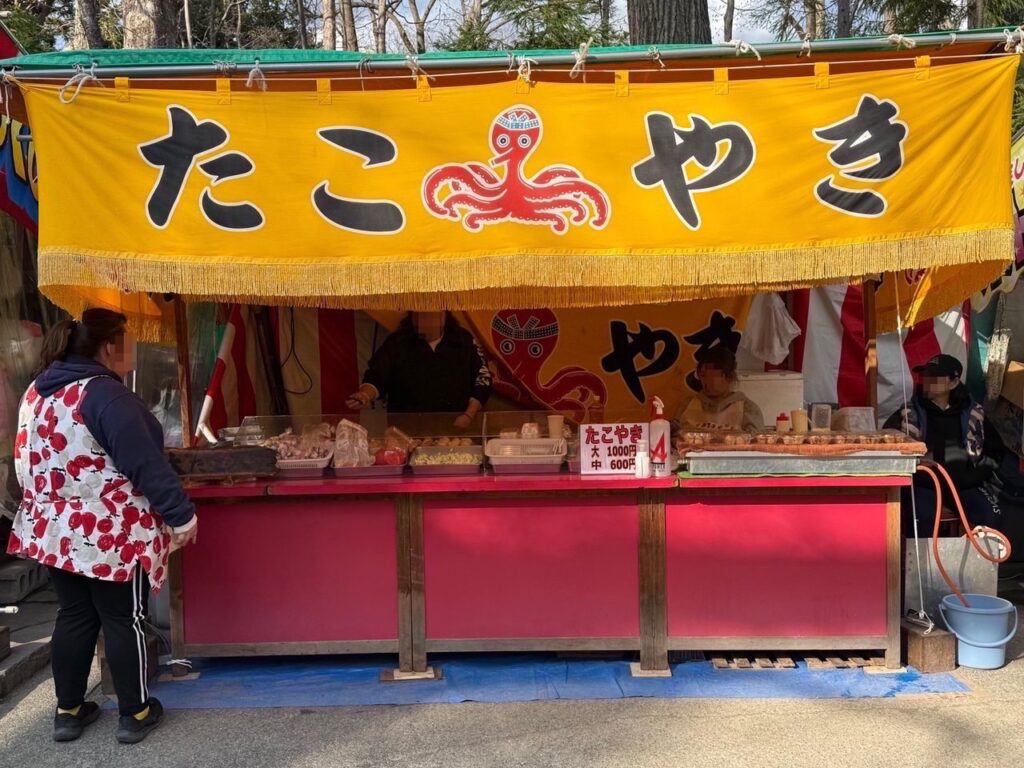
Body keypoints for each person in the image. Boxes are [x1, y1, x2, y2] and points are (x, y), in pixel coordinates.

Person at [6, 309, 198, 744]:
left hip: (52, 527)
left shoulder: (36, 392)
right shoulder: (105, 396)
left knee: (73, 614)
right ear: (110, 345)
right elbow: (145, 462)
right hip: (107, 532)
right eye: (127, 339)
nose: (131, 347)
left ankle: (69, 710)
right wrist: (181, 515)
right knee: (122, 616)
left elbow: (24, 463)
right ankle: (136, 712)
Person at [884, 354, 1000, 532]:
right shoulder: (909, 412)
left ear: (953, 383)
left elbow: (996, 452)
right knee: (920, 518)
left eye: (935, 377)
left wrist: (975, 476)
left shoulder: (973, 412)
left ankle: (979, 558)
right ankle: (923, 560)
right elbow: (887, 441)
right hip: (924, 486)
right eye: (926, 376)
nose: (927, 381)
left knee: (990, 514)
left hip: (964, 487)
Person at [346, 312, 492, 427]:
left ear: (444, 315)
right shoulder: (397, 342)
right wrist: (364, 395)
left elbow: (483, 380)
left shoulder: (463, 340)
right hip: (407, 432)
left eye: (431, 315)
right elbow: (376, 375)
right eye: (420, 315)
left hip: (456, 428)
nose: (425, 321)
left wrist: (468, 415)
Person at [678, 345, 764, 431]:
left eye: (712, 375)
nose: (705, 380)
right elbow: (673, 437)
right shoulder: (687, 405)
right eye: (702, 375)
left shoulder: (747, 408)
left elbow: (755, 441)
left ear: (728, 376)